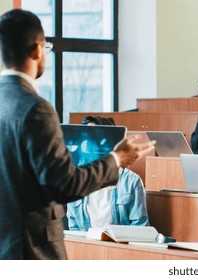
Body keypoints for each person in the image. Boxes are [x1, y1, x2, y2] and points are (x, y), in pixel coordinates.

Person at [0, 9, 155, 259]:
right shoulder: (36, 107)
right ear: (39, 48)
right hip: (31, 249)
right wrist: (116, 159)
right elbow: (64, 186)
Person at [66, 116, 149, 231]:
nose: (90, 145)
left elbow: (140, 228)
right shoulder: (77, 180)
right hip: (88, 246)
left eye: (95, 137)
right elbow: (74, 227)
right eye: (87, 137)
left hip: (119, 246)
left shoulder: (131, 181)